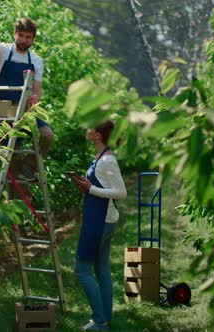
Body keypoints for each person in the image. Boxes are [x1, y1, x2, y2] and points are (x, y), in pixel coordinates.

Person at [0, 18, 54, 181]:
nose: (23, 40)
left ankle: (29, 166)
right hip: (1, 108)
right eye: (20, 35)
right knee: (14, 148)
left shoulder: (36, 61)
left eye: (28, 37)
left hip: (23, 109)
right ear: (14, 34)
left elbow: (37, 89)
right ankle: (18, 191)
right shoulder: (4, 50)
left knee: (48, 135)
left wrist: (35, 99)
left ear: (33, 38)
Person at [72, 120, 127, 331]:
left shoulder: (107, 161)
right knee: (101, 268)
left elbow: (121, 193)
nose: (86, 129)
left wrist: (92, 189)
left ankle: (99, 320)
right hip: (101, 218)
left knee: (81, 270)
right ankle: (106, 318)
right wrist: (88, 188)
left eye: (89, 128)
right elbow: (102, 186)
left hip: (100, 221)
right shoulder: (101, 158)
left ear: (97, 135)